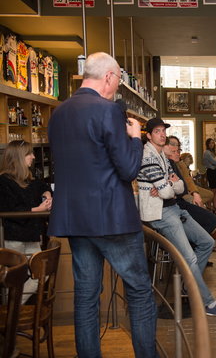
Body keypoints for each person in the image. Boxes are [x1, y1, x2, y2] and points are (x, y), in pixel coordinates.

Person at [47, 52, 158, 358]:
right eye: (119, 81)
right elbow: (128, 169)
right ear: (109, 77)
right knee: (138, 292)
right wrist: (136, 138)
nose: (117, 88)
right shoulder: (107, 111)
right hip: (112, 218)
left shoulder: (59, 113)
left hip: (75, 219)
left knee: (86, 296)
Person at [137, 118, 216, 317]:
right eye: (157, 131)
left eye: (163, 131)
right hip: (161, 213)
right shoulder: (148, 157)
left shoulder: (162, 156)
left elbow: (179, 187)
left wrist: (169, 186)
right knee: (189, 257)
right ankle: (207, 302)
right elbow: (167, 191)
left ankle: (187, 286)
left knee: (207, 242)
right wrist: (168, 186)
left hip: (174, 207)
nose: (162, 134)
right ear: (148, 135)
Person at [0, 140, 53, 304]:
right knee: (13, 279)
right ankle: (11, 314)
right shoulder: (3, 181)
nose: (32, 157)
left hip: (31, 236)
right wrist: (38, 210)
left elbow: (44, 186)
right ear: (18, 157)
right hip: (12, 239)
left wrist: (47, 196)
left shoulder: (30, 180)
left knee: (42, 273)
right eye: (29, 154)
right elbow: (9, 210)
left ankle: (12, 309)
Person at [165, 136, 216, 241]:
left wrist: (195, 192)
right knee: (204, 210)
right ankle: (204, 234)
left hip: (182, 195)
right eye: (174, 150)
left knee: (210, 197)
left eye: (178, 149)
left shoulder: (177, 163)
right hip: (177, 200)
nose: (177, 152)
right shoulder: (167, 164)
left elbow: (185, 182)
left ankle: (205, 233)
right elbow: (178, 186)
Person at [202, 138, 216, 215]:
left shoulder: (214, 152)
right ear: (207, 144)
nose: (212, 144)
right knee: (212, 191)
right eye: (210, 143)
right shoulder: (206, 152)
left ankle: (215, 207)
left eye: (213, 143)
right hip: (211, 172)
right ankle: (210, 207)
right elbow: (214, 162)